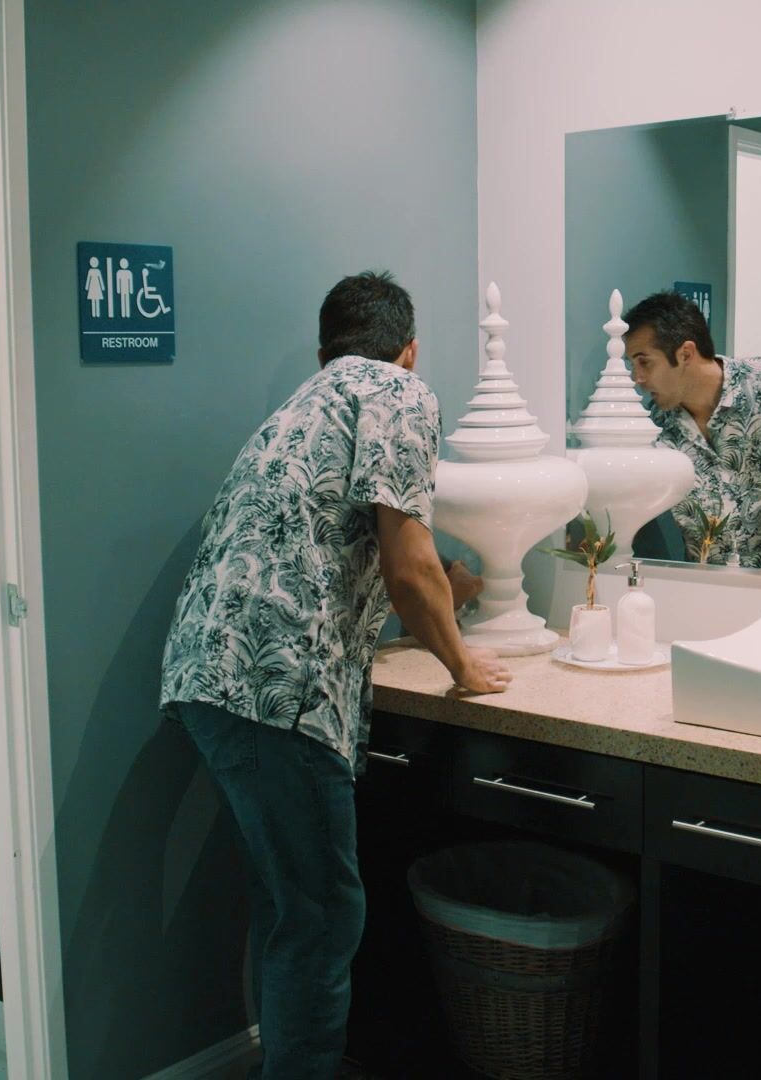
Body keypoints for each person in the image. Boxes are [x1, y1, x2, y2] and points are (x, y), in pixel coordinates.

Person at [159, 271, 510, 1078]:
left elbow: (345, 550)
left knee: (292, 902)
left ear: (326, 351)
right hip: (279, 686)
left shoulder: (303, 406)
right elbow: (405, 565)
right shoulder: (400, 391)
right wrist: (463, 664)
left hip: (208, 672)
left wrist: (448, 589)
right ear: (410, 350)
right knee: (321, 915)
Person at [623, 290, 761, 574]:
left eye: (644, 362)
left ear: (685, 354)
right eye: (632, 364)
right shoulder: (653, 427)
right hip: (719, 588)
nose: (637, 378)